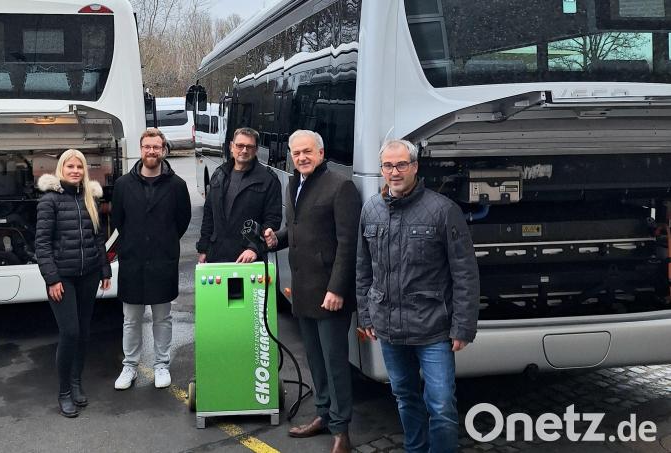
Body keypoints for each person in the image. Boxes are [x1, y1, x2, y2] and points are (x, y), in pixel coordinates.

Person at [355, 139, 480, 453]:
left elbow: (464, 273)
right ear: (381, 168)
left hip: (433, 329)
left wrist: (463, 326)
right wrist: (366, 314)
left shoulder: (442, 210)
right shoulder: (371, 209)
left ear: (415, 167)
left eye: (401, 165)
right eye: (387, 165)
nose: (394, 172)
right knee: (405, 397)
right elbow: (363, 267)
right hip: (388, 327)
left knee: (440, 405)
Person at [264, 130, 362, 453]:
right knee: (315, 362)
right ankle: (323, 414)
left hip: (329, 295)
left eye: (307, 152)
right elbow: (297, 228)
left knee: (335, 364)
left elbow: (348, 245)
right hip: (303, 291)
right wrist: (276, 238)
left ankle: (341, 431)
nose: (301, 157)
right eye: (296, 153)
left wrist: (337, 289)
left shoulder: (340, 186)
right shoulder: (295, 183)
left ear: (321, 153)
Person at [111, 128, 191, 391]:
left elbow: (182, 220)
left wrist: (163, 241)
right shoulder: (123, 185)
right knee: (131, 319)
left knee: (162, 317)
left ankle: (161, 364)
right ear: (141, 148)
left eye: (156, 147)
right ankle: (130, 366)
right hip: (133, 261)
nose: (152, 151)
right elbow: (118, 221)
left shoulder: (177, 185)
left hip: (162, 260)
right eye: (147, 147)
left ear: (164, 149)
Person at [35, 149, 112, 418]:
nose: (75, 170)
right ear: (61, 169)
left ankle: (77, 383)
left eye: (79, 166)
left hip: (89, 275)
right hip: (63, 279)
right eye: (70, 166)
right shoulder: (49, 201)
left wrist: (104, 270)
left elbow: (98, 238)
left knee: (83, 333)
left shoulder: (89, 198)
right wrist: (52, 279)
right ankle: (64, 392)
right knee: (69, 333)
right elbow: (42, 245)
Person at [197, 127, 282, 264]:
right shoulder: (219, 174)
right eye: (240, 145)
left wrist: (254, 248)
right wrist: (203, 249)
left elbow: (272, 221)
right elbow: (209, 215)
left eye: (249, 146)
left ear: (256, 150)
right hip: (217, 255)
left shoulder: (268, 179)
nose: (244, 150)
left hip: (248, 259)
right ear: (231, 146)